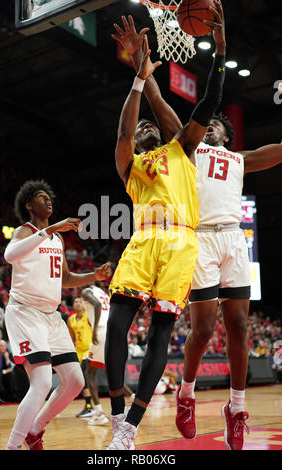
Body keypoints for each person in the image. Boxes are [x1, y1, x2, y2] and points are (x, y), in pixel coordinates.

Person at [112, 5, 282, 451]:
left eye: (220, 128)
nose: (213, 130)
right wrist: (142, 71)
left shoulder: (239, 160)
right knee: (204, 328)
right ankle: (185, 393)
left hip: (231, 238)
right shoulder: (186, 146)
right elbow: (159, 103)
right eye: (209, 127)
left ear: (227, 135)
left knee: (241, 325)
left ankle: (237, 407)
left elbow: (278, 150)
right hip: (195, 237)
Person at [105, 4, 227, 450]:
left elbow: (207, 102)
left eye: (145, 129)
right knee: (116, 327)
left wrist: (219, 51)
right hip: (144, 241)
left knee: (160, 334)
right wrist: (138, 77)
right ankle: (117, 415)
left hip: (180, 242)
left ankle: (132, 426)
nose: (140, 132)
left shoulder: (182, 147)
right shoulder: (132, 166)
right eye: (137, 133)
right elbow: (122, 134)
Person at [3, 179, 112, 450]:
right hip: (25, 312)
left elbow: (64, 279)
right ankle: (13, 445)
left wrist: (93, 276)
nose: (48, 200)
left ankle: (36, 429)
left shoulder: (58, 239)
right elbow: (9, 255)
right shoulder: (23, 232)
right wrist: (49, 228)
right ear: (29, 205)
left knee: (75, 381)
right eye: (41, 197)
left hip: (52, 317)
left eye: (49, 197)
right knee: (40, 382)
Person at [77, 284, 135, 426]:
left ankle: (99, 413)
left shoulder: (86, 291)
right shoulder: (101, 291)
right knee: (111, 372)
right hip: (114, 329)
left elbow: (96, 305)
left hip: (102, 330)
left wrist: (95, 328)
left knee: (89, 373)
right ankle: (133, 400)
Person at [67, 296, 95, 419]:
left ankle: (89, 407)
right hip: (78, 352)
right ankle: (89, 406)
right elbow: (70, 338)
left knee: (85, 377)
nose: (77, 303)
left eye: (80, 302)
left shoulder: (88, 316)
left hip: (89, 351)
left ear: (84, 305)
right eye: (75, 301)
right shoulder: (71, 319)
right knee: (81, 379)